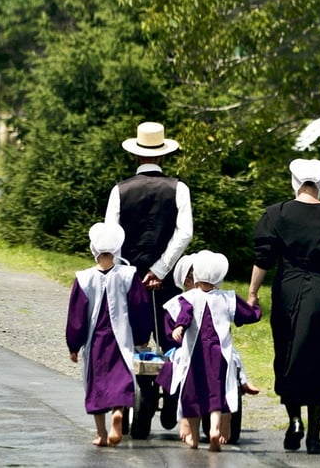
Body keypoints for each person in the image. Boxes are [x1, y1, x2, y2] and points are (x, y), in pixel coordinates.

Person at [247, 158, 320, 455]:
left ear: (294, 183)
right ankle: (315, 435)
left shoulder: (275, 214)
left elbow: (263, 258)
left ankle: (294, 420)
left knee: (288, 353)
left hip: (288, 290)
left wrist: (252, 293)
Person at [105, 121, 193, 352]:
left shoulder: (119, 190)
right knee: (171, 340)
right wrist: (160, 269)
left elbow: (111, 238)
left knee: (132, 340)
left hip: (129, 277)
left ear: (135, 155)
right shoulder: (179, 188)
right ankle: (170, 386)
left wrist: (122, 273)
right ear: (163, 157)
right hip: (167, 277)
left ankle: (141, 386)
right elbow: (185, 233)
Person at [157, 252, 261, 447]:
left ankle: (193, 436)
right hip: (218, 354)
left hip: (193, 355)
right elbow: (247, 314)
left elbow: (182, 317)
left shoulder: (186, 299)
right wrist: (256, 308)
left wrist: (179, 327)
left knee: (192, 394)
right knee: (217, 392)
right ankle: (215, 427)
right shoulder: (227, 298)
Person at [66, 222, 152, 447]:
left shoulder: (84, 278)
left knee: (97, 383)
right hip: (120, 339)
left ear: (94, 249)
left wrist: (73, 345)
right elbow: (140, 307)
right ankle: (118, 412)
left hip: (95, 340)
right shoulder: (128, 275)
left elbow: (77, 315)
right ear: (116, 249)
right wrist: (142, 337)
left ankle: (101, 433)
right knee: (120, 377)